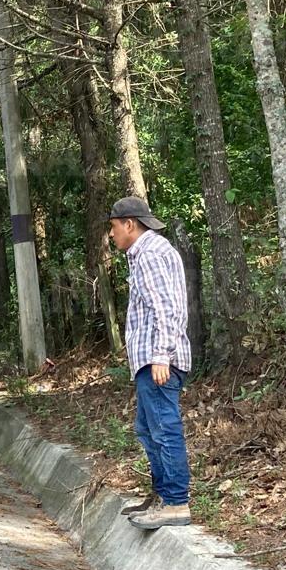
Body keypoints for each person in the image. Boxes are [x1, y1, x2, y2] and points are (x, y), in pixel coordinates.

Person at [108, 196, 194, 530]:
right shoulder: (145, 253)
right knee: (148, 428)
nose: (112, 235)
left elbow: (166, 309)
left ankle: (175, 502)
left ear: (129, 224)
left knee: (164, 428)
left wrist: (161, 356)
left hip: (160, 359)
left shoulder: (150, 254)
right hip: (149, 359)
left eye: (114, 228)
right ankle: (161, 495)